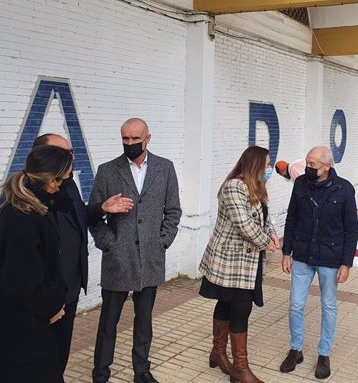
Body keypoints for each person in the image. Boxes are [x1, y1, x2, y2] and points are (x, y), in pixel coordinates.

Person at [0, 145, 73, 383]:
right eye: (65, 179)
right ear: (52, 181)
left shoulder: (29, 209)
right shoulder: (24, 217)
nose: (66, 185)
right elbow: (18, 280)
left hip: (18, 327)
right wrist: (53, 305)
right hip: (19, 332)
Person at [89, 118, 182, 383]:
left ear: (147, 138)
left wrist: (162, 241)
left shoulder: (165, 168)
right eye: (125, 139)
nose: (129, 143)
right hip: (118, 259)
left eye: (134, 139)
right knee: (108, 322)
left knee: (144, 321)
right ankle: (100, 372)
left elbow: (173, 211)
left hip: (151, 258)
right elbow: (93, 215)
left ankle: (141, 370)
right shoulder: (107, 171)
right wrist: (109, 243)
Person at [32, 134, 133, 375]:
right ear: (42, 156)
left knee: (60, 350)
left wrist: (101, 208)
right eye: (63, 152)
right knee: (39, 353)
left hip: (70, 285)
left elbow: (77, 219)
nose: (71, 157)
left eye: (72, 151)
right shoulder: (32, 196)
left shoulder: (68, 184)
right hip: (45, 291)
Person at [198, 146, 280, 383]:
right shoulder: (234, 186)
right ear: (255, 164)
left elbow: (266, 216)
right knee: (241, 308)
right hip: (229, 261)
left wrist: (273, 233)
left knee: (228, 304)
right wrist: (267, 243)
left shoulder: (257, 186)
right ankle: (240, 368)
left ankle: (218, 353)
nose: (269, 168)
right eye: (267, 164)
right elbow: (243, 223)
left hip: (248, 262)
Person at [279, 146, 358, 380]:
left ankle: (324, 354)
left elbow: (351, 229)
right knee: (295, 304)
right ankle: (296, 349)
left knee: (328, 306)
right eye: (307, 162)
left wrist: (346, 263)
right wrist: (286, 252)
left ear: (327, 166)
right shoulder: (301, 184)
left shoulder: (344, 189)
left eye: (312, 164)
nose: (308, 168)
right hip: (303, 254)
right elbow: (291, 217)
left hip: (330, 257)